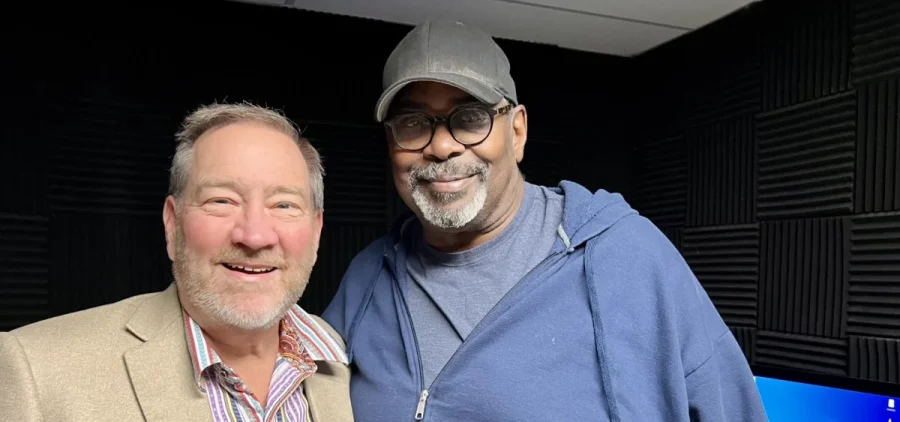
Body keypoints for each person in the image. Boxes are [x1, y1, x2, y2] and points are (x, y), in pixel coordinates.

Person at [322, 18, 767, 421]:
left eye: (470, 118)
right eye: (413, 123)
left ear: (516, 132)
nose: (441, 147)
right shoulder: (367, 278)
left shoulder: (628, 258)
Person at [0, 103, 353, 422]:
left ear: (316, 231)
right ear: (173, 223)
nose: (255, 235)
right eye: (222, 200)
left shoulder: (335, 359)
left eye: (284, 205)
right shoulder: (36, 369)